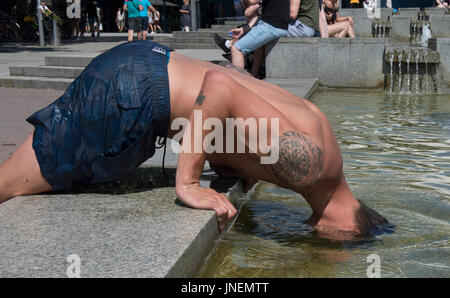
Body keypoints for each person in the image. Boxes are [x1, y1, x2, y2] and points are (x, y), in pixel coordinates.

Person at [0, 40, 389, 238]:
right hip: (136, 95)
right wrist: (188, 184)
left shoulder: (327, 147)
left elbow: (245, 98)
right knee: (8, 184)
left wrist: (231, 162)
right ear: (350, 230)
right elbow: (219, 86)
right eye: (336, 252)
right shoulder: (309, 169)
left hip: (146, 67)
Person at [230, 0, 290, 77]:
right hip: (276, 25)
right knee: (258, 46)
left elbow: (251, 2)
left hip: (270, 26)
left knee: (237, 49)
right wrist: (243, 29)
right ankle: (252, 74)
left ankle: (240, 82)